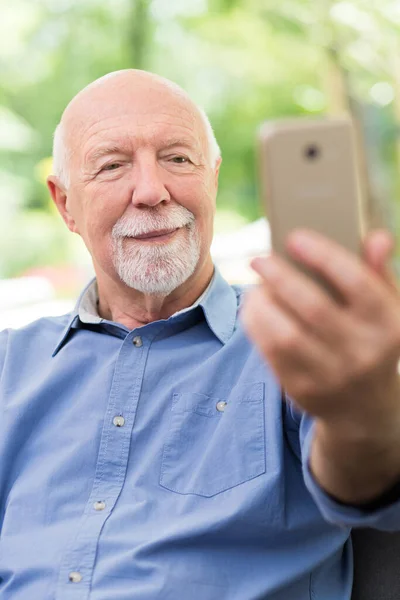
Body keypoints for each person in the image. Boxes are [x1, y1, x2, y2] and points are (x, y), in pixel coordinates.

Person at [1, 69, 400, 600]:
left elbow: (368, 481)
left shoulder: (296, 338)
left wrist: (358, 412)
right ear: (65, 204)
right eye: (113, 165)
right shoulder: (10, 365)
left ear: (211, 176)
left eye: (178, 159)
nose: (151, 191)